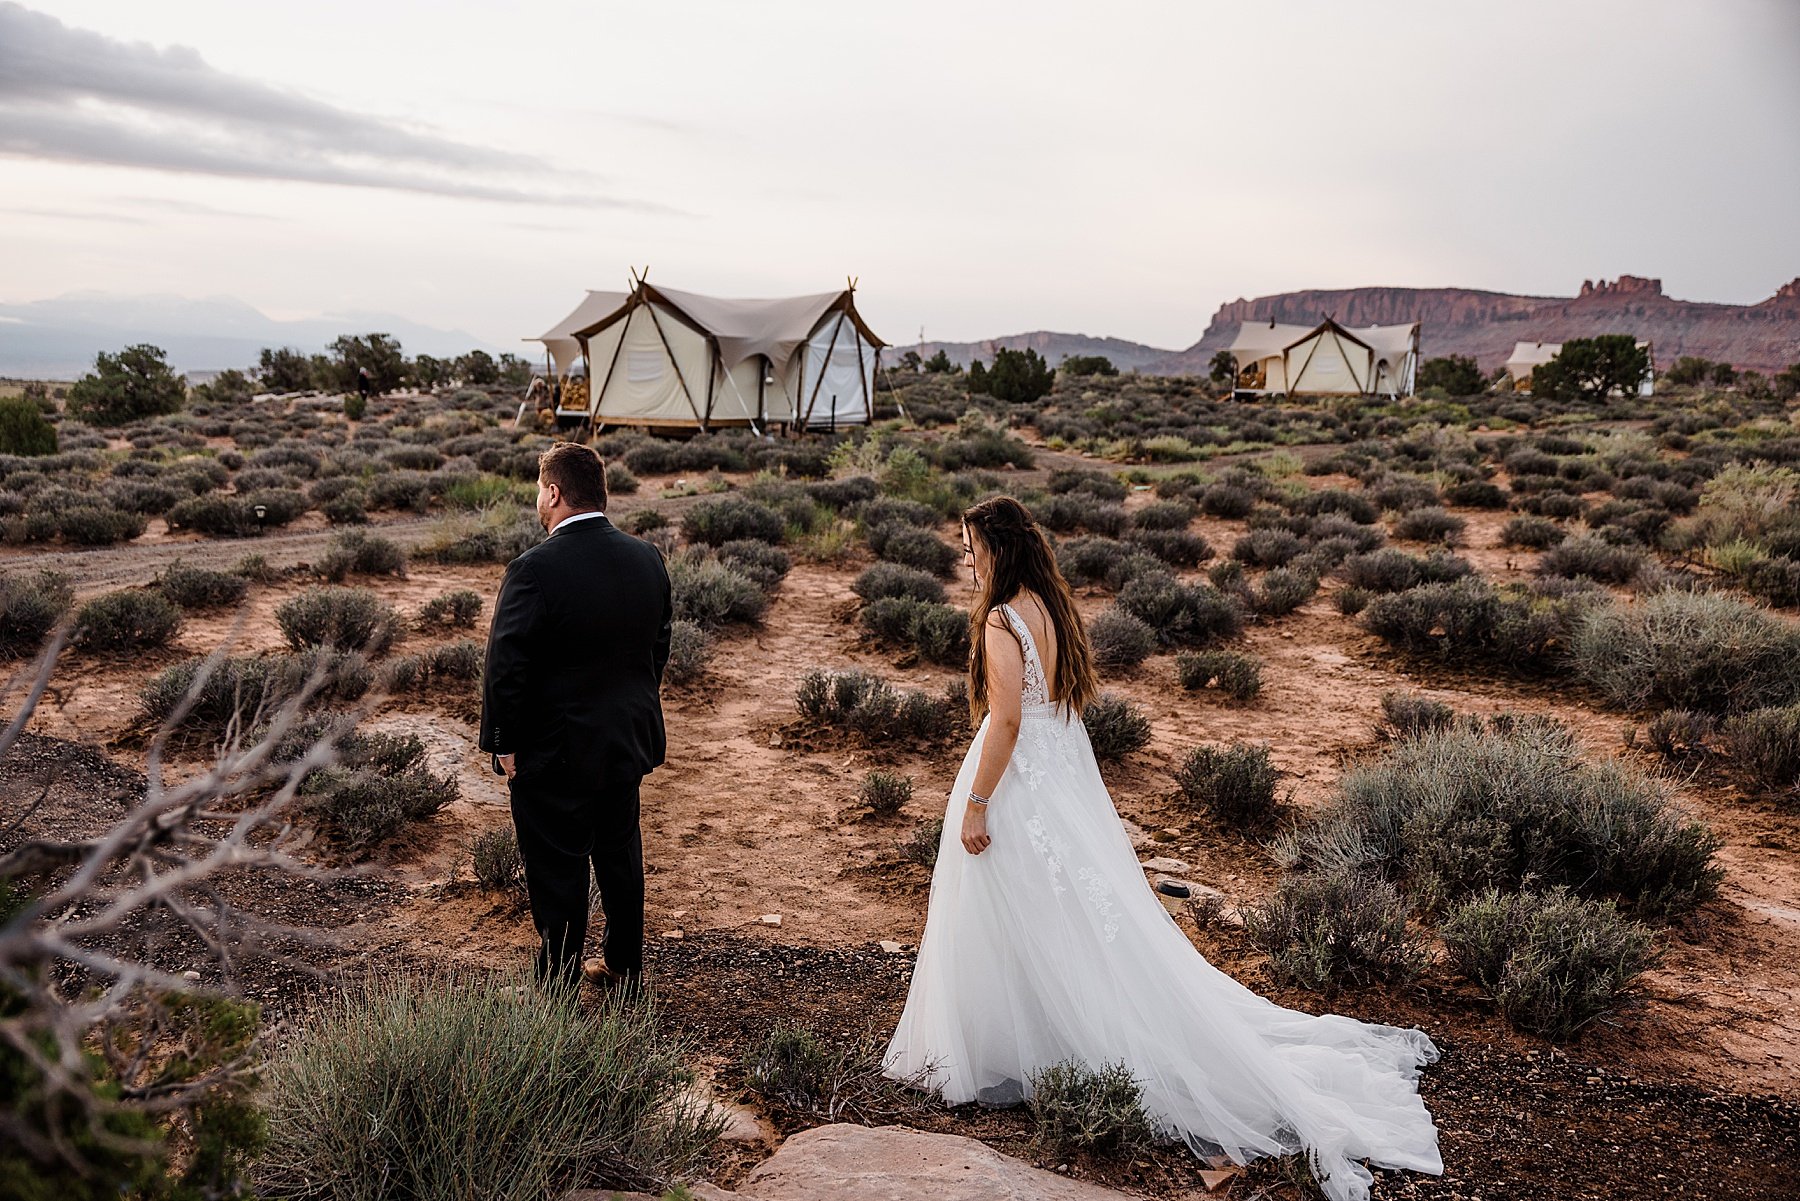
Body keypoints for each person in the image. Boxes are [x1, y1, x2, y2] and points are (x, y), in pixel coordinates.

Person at [883, 496, 1442, 1201]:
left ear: (994, 548)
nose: (966, 560)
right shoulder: (1048, 606)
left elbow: (1007, 719)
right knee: (1060, 917)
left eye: (970, 547)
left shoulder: (1001, 617)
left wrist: (977, 802)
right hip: (1057, 783)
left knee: (1009, 908)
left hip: (1022, 787)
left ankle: (1012, 1048)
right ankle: (1033, 1039)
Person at [479, 442, 672, 994]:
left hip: (554, 753)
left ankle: (559, 984)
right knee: (619, 855)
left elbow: (505, 666)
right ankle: (624, 970)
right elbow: (656, 648)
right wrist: (627, 710)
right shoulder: (646, 558)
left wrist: (504, 744)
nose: (539, 499)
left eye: (541, 489)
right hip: (624, 742)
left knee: (558, 869)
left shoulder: (533, 569)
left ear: (555, 492)